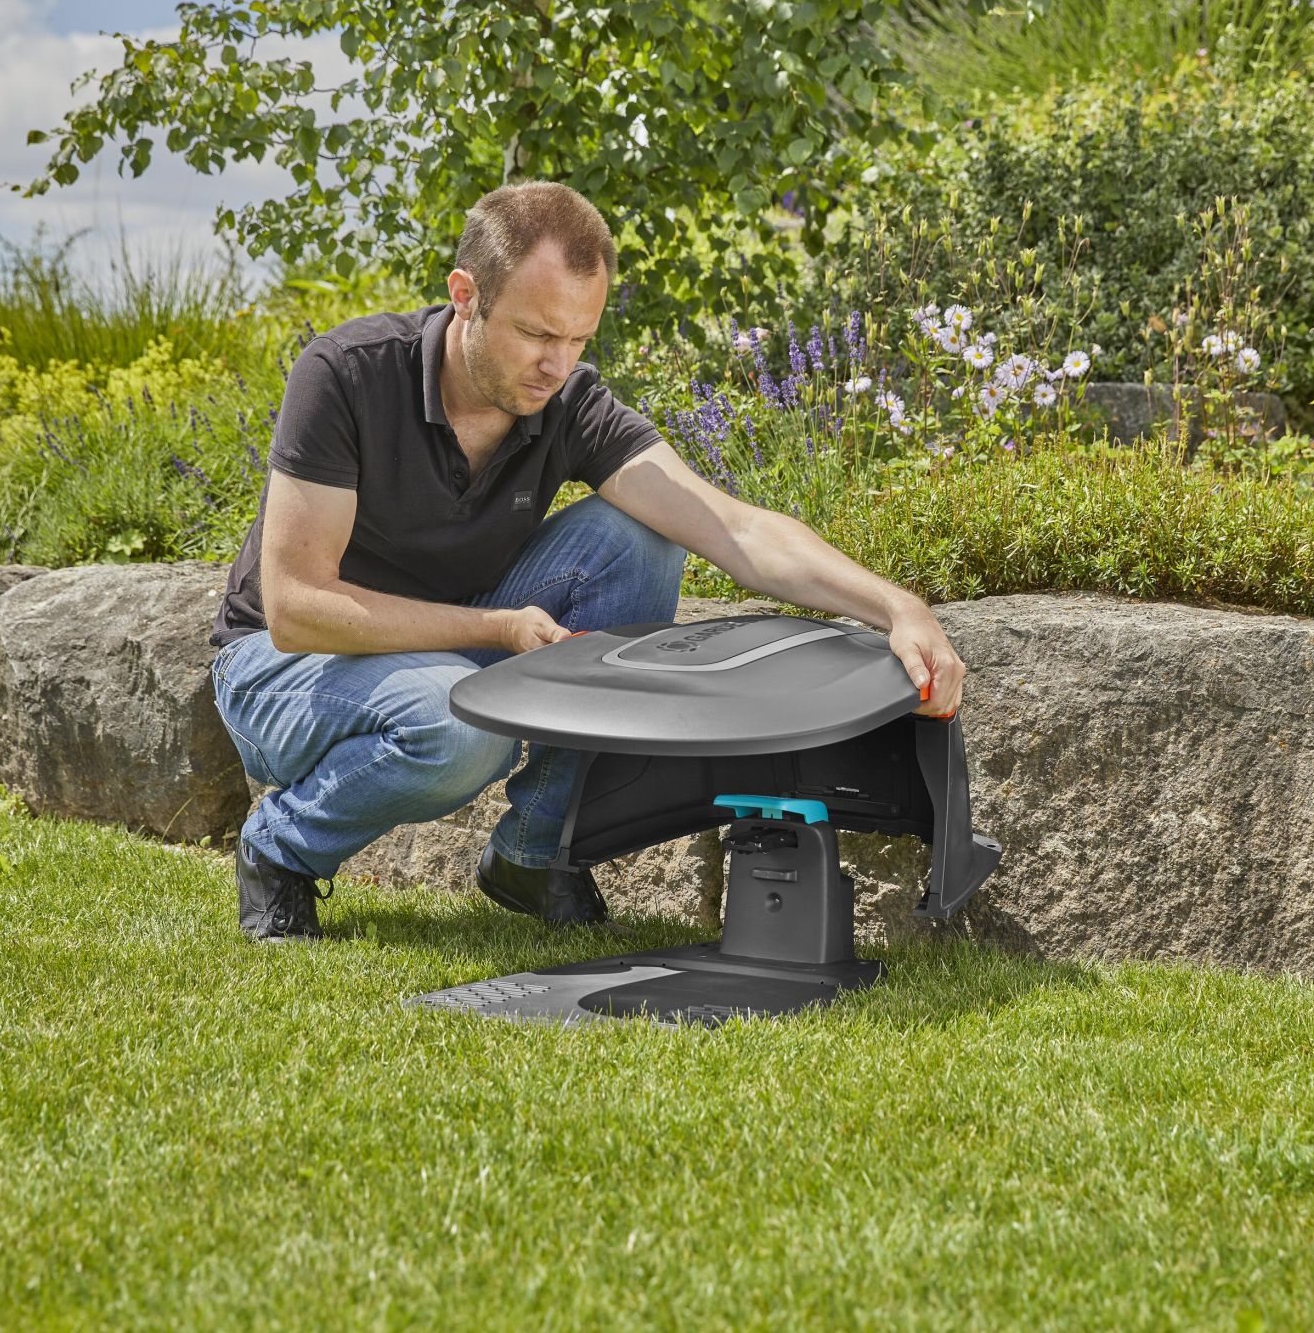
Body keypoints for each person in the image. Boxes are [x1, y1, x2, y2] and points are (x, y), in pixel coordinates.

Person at [208, 179, 965, 942]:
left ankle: (535, 852)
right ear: (466, 296)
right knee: (461, 726)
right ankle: (280, 849)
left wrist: (898, 608)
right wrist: (496, 628)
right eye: (537, 333)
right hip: (286, 665)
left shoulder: (567, 402)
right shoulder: (348, 374)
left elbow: (735, 530)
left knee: (640, 538)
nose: (556, 364)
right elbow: (298, 608)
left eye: (578, 339)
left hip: (444, 647)